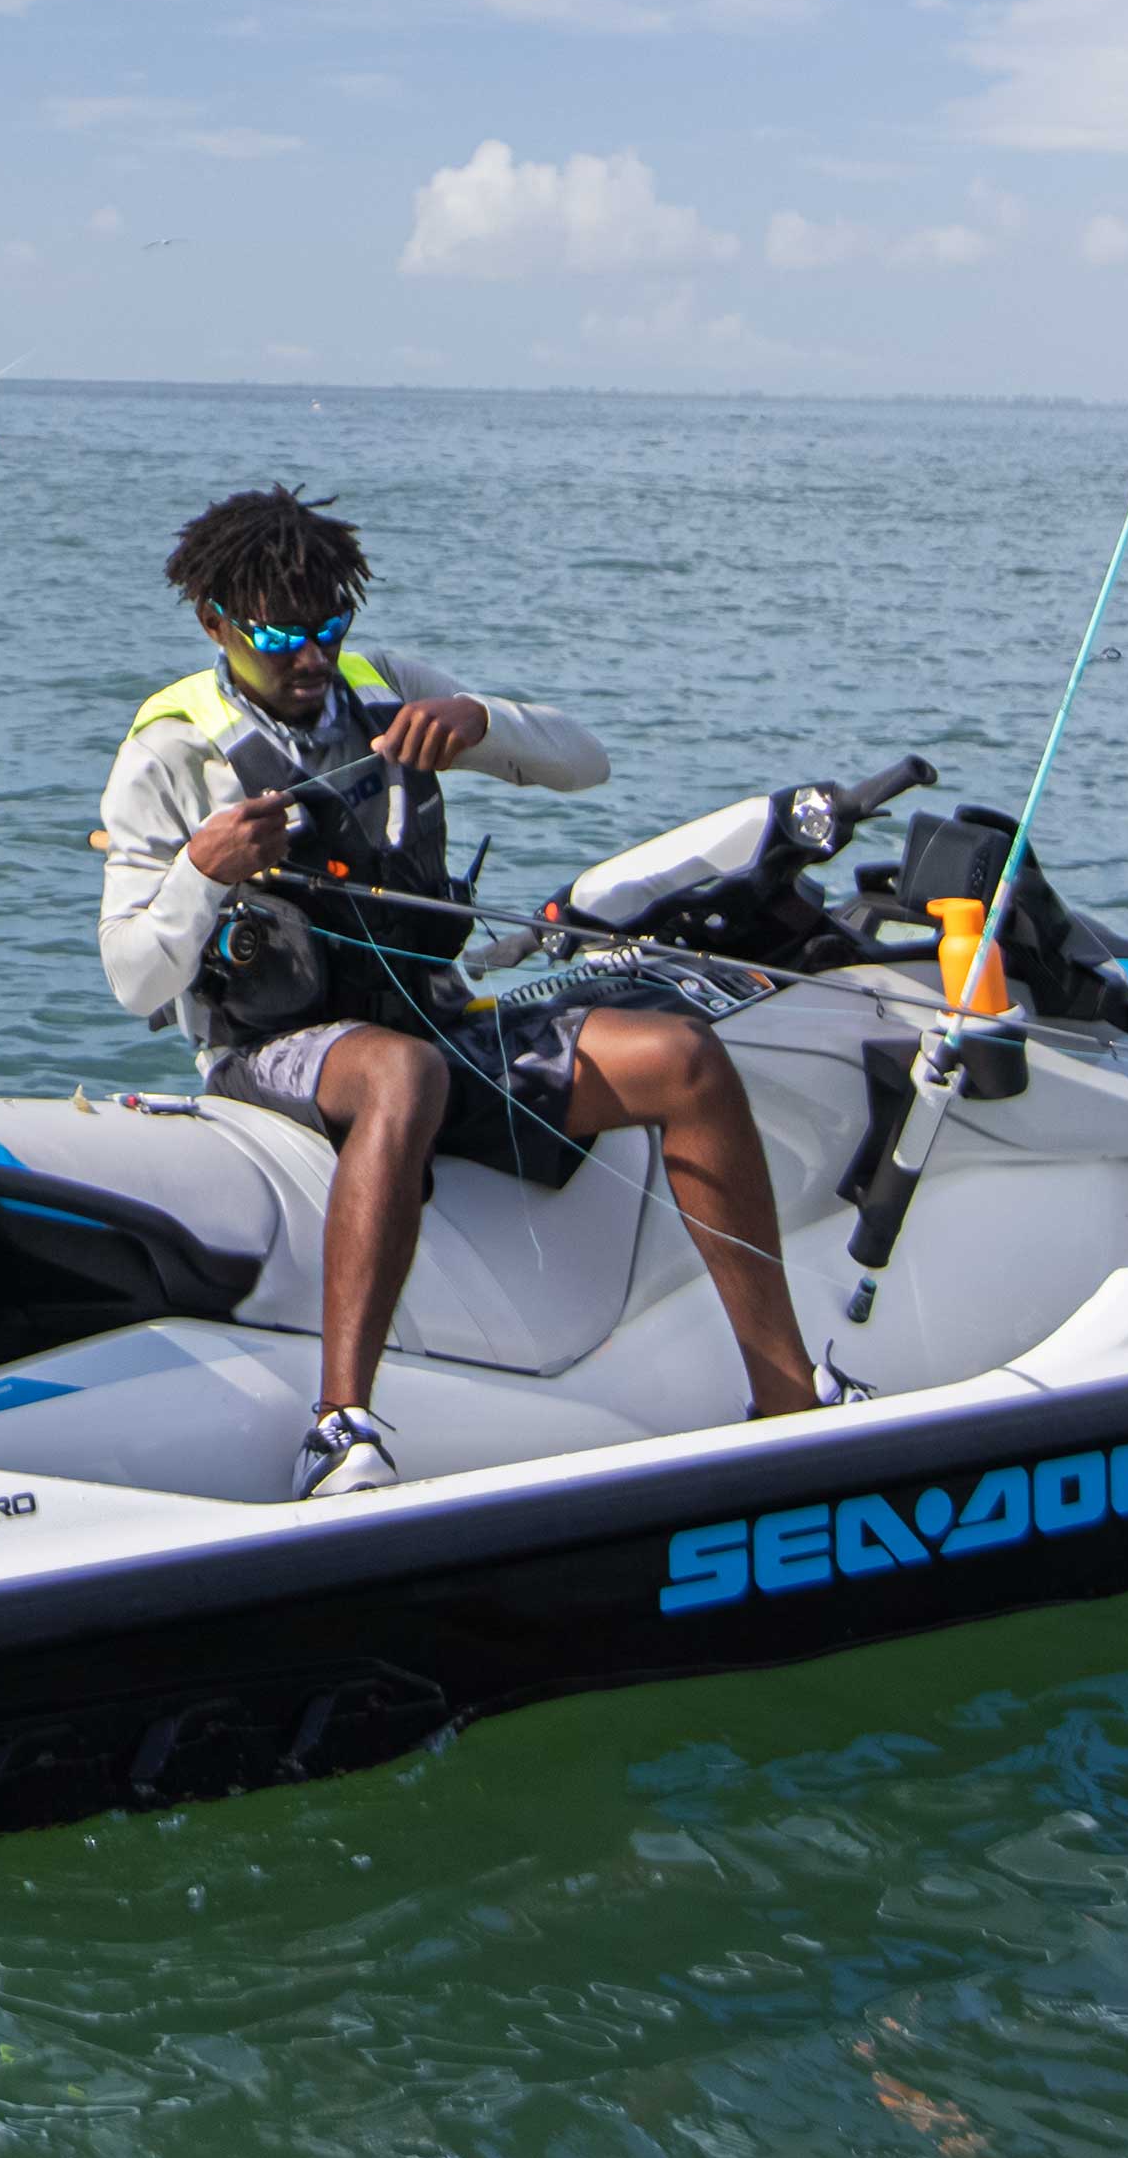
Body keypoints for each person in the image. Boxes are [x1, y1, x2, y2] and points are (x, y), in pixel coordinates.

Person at [98, 484, 823, 1497]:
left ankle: (788, 1394)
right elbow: (133, 978)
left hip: (432, 1021)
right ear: (216, 623)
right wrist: (201, 871)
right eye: (279, 637)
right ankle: (340, 1426)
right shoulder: (169, 752)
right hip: (273, 1053)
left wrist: (481, 720)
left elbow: (584, 762)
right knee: (396, 1077)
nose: (310, 659)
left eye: (328, 627)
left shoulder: (385, 686)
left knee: (680, 1058)